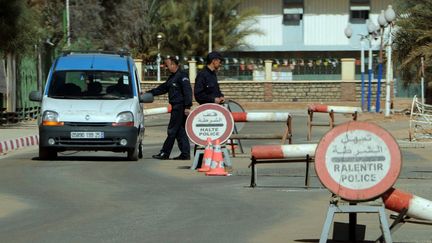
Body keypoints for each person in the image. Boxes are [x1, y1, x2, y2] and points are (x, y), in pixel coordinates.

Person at [147, 56, 193, 160]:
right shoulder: (172, 77)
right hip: (176, 106)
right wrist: (149, 93)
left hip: (180, 107)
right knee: (180, 131)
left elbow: (188, 92)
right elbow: (163, 88)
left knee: (172, 131)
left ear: (173, 64)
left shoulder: (182, 76)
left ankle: (165, 153)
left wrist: (187, 106)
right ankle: (185, 154)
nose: (166, 68)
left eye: (167, 65)